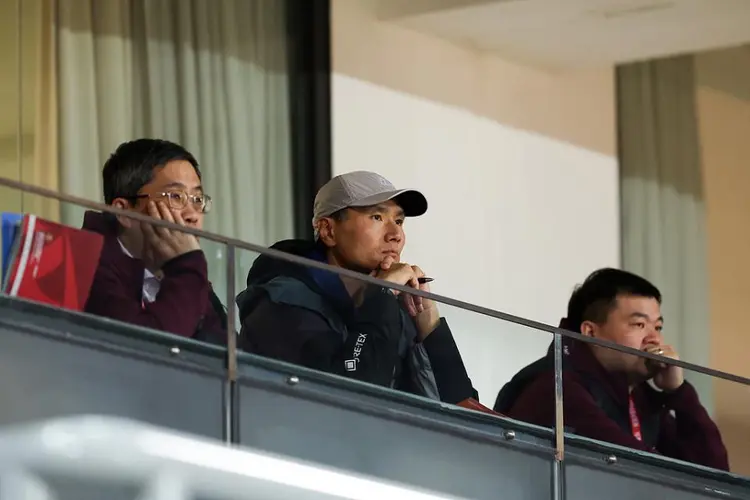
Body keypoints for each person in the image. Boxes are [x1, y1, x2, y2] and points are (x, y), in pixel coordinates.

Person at [236, 171, 476, 404]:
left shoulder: (391, 307)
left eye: (399, 221)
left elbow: (465, 409)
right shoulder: (281, 303)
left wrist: (428, 323)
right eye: (377, 217)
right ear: (328, 231)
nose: (395, 234)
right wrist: (381, 296)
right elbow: (350, 403)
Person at [494, 268, 729, 471]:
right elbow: (639, 469)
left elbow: (715, 474)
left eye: (658, 327)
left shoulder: (637, 396)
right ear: (591, 332)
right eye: (639, 324)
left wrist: (678, 391)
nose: (654, 339)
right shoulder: (556, 388)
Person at [82, 138, 227, 343]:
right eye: (175, 197)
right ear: (124, 212)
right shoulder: (87, 268)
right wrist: (186, 265)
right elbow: (147, 347)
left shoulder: (187, 275)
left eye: (197, 200)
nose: (193, 215)